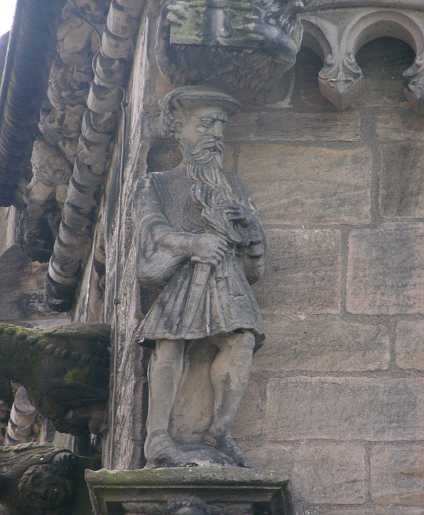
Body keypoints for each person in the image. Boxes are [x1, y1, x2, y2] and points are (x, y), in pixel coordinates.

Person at [135, 86, 266, 468]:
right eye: (206, 124)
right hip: (186, 276)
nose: (216, 135)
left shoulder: (236, 188)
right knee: (171, 344)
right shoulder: (157, 183)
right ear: (181, 129)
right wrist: (193, 244)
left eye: (221, 127)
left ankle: (219, 430)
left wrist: (252, 235)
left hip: (226, 279)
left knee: (241, 340)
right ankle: (159, 437)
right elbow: (152, 230)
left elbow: (254, 257)